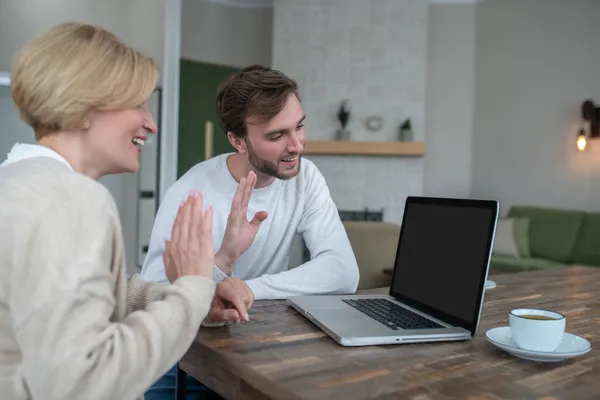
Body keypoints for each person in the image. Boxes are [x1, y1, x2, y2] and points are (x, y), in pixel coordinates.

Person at [0, 22, 251, 400]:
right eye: (138, 103)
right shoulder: (71, 199)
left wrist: (191, 299)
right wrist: (190, 292)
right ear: (84, 107)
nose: (151, 123)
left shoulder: (20, 180)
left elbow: (62, 297)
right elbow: (86, 380)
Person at [140, 65, 360, 396]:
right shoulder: (192, 192)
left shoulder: (306, 178)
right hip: (183, 359)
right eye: (277, 135)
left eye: (299, 127)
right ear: (237, 141)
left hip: (255, 343)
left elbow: (343, 272)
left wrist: (249, 289)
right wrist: (222, 262)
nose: (296, 145)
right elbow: (156, 292)